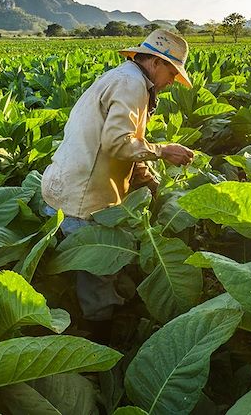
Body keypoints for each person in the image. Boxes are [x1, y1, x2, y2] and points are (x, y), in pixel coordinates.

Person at [41, 28, 195, 319]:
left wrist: (145, 174)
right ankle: (100, 341)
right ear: (156, 62)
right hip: (83, 200)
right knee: (99, 276)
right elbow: (117, 143)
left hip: (64, 187)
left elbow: (120, 139)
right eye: (172, 73)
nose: (172, 82)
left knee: (72, 270)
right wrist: (163, 151)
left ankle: (72, 313)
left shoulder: (125, 77)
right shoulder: (132, 84)